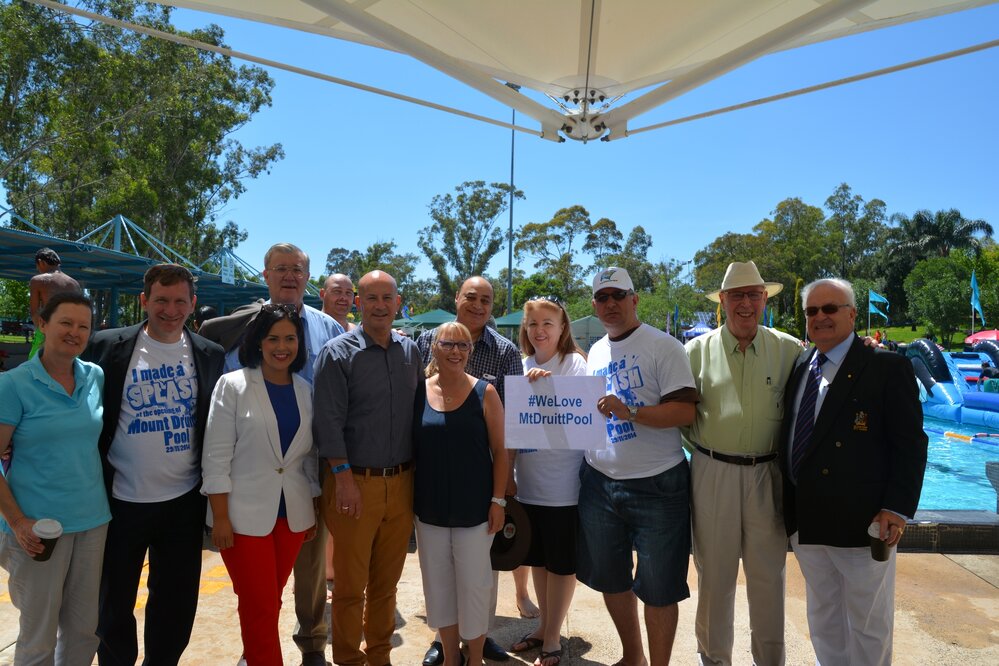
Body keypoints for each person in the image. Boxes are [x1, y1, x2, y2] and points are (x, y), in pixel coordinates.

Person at [201, 243, 343, 666]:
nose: (290, 276)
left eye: (298, 269)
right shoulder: (240, 335)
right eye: (281, 268)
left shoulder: (329, 332)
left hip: (305, 476)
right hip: (247, 479)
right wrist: (219, 512)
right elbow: (218, 444)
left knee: (304, 576)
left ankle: (312, 641)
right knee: (259, 596)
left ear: (307, 276)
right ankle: (259, 652)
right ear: (265, 274)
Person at [83, 264, 225, 666]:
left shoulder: (210, 355)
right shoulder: (106, 346)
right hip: (118, 499)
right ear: (144, 300)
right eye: (161, 300)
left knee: (176, 601)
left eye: (180, 300)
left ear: (192, 304)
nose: (170, 309)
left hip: (183, 501)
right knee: (112, 600)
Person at [781, 278, 927, 666]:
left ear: (851, 314)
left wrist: (896, 507)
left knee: (868, 622)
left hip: (861, 520)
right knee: (823, 615)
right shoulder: (800, 366)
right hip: (806, 518)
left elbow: (911, 443)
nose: (820, 317)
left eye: (830, 308)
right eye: (812, 311)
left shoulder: (885, 366)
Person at [683, 261, 803, 666]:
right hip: (712, 472)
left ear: (765, 299)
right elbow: (680, 416)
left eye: (754, 294)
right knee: (714, 577)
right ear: (722, 301)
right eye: (737, 295)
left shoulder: (789, 349)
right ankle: (714, 659)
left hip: (768, 475)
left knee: (769, 578)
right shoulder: (694, 352)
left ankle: (770, 661)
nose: (746, 303)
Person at [579, 267, 697, 666]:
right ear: (594, 306)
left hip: (657, 484)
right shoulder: (595, 351)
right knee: (611, 579)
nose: (610, 304)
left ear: (635, 300)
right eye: (602, 298)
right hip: (600, 484)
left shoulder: (664, 346)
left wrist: (631, 412)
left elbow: (684, 411)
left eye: (618, 295)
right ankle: (634, 657)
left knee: (660, 588)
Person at [313, 270, 423, 666]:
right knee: (348, 586)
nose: (379, 305)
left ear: (398, 302)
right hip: (354, 482)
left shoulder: (410, 352)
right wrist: (343, 479)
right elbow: (328, 422)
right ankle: (347, 658)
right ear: (358, 303)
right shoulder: (339, 353)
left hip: (403, 482)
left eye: (386, 297)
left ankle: (379, 655)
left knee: (386, 583)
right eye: (370, 298)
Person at [417, 276, 525, 666]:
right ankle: (447, 648)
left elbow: (510, 426)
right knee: (439, 581)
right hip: (431, 500)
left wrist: (502, 488)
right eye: (471, 298)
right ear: (457, 299)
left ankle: (477, 646)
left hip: (477, 498)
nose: (479, 305)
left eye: (486, 299)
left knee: (478, 581)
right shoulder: (423, 347)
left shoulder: (506, 353)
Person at [0, 292, 110, 665]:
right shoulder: (14, 385)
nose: (74, 332)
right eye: (65, 322)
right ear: (43, 324)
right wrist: (17, 522)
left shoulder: (95, 376)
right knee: (38, 637)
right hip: (38, 529)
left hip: (92, 521)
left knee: (83, 632)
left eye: (83, 326)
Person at [508, 296, 588, 666]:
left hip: (563, 486)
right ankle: (542, 626)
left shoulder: (574, 364)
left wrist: (546, 388)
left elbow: (579, 422)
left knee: (561, 564)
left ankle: (553, 636)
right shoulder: (521, 365)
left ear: (562, 328)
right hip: (529, 483)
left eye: (548, 324)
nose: (540, 330)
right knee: (538, 560)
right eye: (533, 324)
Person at [28, 247, 81, 359]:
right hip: (70, 332)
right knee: (68, 365)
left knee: (33, 367)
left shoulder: (38, 281)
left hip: (47, 329)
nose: (38, 269)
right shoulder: (74, 284)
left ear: (40, 262)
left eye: (37, 266)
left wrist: (43, 332)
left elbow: (34, 311)